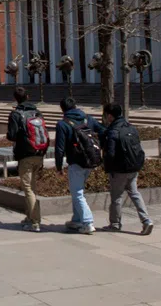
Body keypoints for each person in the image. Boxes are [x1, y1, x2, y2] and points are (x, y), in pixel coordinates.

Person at [100, 103, 154, 235]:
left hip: (119, 170)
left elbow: (110, 153)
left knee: (116, 197)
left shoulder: (113, 131)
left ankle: (115, 224)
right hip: (133, 167)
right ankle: (146, 221)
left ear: (110, 116)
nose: (105, 118)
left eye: (106, 115)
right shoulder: (131, 128)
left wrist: (106, 165)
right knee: (135, 194)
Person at [54, 97, 104, 235]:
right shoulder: (88, 119)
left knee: (77, 193)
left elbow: (59, 148)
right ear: (76, 106)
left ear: (62, 109)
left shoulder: (63, 124)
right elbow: (103, 131)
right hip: (91, 161)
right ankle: (76, 220)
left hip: (76, 163)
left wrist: (58, 167)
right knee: (78, 191)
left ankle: (87, 222)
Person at [6, 87, 50, 232]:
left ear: (15, 99)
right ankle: (29, 217)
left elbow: (12, 135)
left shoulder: (16, 114)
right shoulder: (37, 112)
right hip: (39, 152)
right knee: (32, 187)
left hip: (25, 155)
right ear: (28, 96)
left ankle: (35, 222)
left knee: (28, 189)